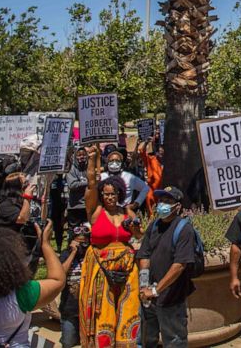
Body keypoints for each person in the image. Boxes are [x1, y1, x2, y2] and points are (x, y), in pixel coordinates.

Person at [79, 146, 143, 348]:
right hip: (100, 268)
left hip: (127, 267)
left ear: (119, 193)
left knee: (129, 308)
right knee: (103, 310)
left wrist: (136, 229)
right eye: (105, 194)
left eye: (113, 194)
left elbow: (140, 236)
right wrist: (93, 158)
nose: (109, 197)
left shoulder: (127, 213)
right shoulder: (96, 212)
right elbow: (91, 184)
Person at [136, 186, 196, 348]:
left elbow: (179, 265)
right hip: (148, 298)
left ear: (177, 206)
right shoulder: (154, 226)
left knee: (174, 341)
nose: (162, 204)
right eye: (161, 200)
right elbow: (144, 255)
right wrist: (144, 285)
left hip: (171, 299)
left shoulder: (184, 229)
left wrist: (156, 290)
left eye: (167, 201)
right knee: (146, 339)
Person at [60, 223, 91, 348]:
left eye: (84, 242)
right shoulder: (65, 254)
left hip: (88, 310)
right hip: (69, 309)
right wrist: (73, 253)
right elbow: (60, 273)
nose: (81, 246)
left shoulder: (92, 254)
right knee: (68, 343)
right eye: (78, 242)